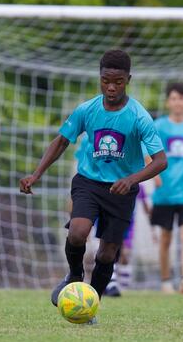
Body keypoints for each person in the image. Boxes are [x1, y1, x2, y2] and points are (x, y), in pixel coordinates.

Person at [20, 49, 167, 324]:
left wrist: (131, 179)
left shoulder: (139, 116)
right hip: (88, 183)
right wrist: (36, 174)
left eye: (118, 81)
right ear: (99, 78)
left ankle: (91, 305)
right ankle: (74, 275)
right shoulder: (86, 109)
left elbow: (160, 161)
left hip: (121, 190)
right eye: (106, 80)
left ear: (128, 79)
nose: (111, 87)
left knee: (107, 253)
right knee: (77, 233)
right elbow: (62, 141)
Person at [147, 83, 183, 293]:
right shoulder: (159, 126)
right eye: (173, 98)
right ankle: (165, 281)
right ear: (167, 102)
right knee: (165, 238)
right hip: (164, 193)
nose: (177, 102)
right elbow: (148, 151)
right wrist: (153, 176)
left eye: (181, 98)